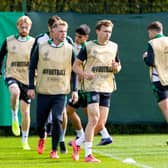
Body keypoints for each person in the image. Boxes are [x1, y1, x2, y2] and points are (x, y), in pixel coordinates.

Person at [27, 18, 78, 159]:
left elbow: (75, 70)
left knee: (57, 119)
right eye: (60, 31)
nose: (63, 34)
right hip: (44, 91)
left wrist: (75, 90)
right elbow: (31, 67)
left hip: (61, 92)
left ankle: (54, 150)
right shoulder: (42, 46)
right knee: (40, 123)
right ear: (52, 31)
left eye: (65, 31)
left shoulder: (69, 48)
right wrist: (31, 87)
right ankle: (42, 137)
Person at [72, 19, 121, 162]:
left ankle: (77, 143)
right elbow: (76, 66)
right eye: (105, 31)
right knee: (93, 118)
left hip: (107, 86)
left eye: (110, 32)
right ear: (98, 31)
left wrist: (116, 68)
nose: (108, 34)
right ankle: (88, 155)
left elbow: (118, 66)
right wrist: (84, 74)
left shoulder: (114, 46)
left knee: (100, 124)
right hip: (91, 86)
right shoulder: (88, 46)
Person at [67, 24, 112, 146]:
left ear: (86, 37)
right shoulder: (76, 48)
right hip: (83, 87)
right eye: (75, 36)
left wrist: (75, 89)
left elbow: (79, 69)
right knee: (90, 117)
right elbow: (75, 68)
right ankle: (101, 135)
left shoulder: (90, 49)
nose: (77, 38)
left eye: (80, 36)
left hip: (87, 87)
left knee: (93, 118)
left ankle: (81, 139)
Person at [0, 16, 35, 150]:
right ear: (17, 26)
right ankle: (14, 116)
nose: (24, 28)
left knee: (26, 112)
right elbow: (1, 56)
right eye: (21, 26)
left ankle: (25, 140)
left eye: (26, 26)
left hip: (27, 79)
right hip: (12, 75)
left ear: (30, 27)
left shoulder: (34, 42)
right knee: (15, 92)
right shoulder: (9, 41)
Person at [143, 21, 168, 133]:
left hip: (159, 80)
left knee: (166, 108)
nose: (149, 35)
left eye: (149, 32)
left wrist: (145, 57)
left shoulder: (152, 43)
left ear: (153, 31)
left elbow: (150, 62)